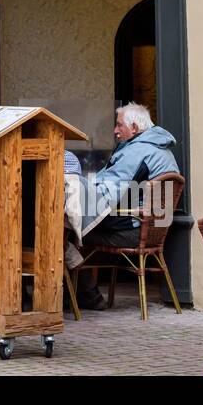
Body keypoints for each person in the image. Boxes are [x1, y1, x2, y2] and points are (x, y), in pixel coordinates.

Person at [74, 102, 181, 309]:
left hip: (134, 228)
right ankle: (85, 295)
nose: (115, 131)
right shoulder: (159, 148)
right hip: (152, 229)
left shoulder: (137, 151)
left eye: (119, 125)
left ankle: (84, 296)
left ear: (134, 128)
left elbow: (108, 190)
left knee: (65, 229)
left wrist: (78, 186)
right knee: (71, 222)